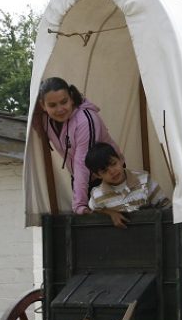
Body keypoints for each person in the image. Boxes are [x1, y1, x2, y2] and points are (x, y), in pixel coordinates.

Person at [31, 77, 124, 215]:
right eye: (52, 105)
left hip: (108, 174)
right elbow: (36, 125)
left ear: (72, 98)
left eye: (64, 102)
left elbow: (82, 162)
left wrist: (80, 205)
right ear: (43, 105)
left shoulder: (85, 120)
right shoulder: (46, 120)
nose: (60, 109)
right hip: (80, 176)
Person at [85, 142, 169, 228]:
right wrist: (110, 213)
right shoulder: (97, 195)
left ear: (121, 159)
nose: (112, 171)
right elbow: (94, 209)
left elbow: (165, 206)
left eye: (114, 164)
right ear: (97, 175)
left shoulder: (144, 180)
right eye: (104, 171)